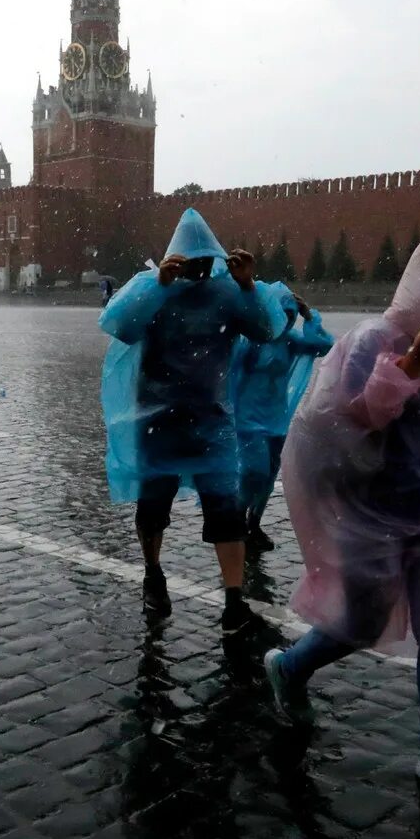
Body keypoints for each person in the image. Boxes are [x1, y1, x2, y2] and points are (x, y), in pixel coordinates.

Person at [263, 239, 420, 809]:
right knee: (361, 620)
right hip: (369, 515)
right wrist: (413, 362)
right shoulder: (371, 340)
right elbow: (352, 419)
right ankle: (290, 668)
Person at [100, 208, 286, 634]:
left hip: (211, 423)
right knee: (153, 507)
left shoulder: (229, 294)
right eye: (192, 260)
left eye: (204, 261)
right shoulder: (153, 288)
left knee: (226, 509)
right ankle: (153, 574)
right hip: (158, 422)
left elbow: (266, 329)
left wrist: (248, 285)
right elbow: (118, 324)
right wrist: (159, 286)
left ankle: (234, 601)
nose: (199, 268)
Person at [231, 283, 334, 553]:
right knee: (254, 471)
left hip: (276, 419)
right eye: (284, 314)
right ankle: (235, 522)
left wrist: (309, 316)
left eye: (292, 316)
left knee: (269, 473)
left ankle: (253, 523)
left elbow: (325, 346)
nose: (288, 320)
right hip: (248, 419)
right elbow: (226, 369)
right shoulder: (252, 341)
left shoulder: (291, 341)